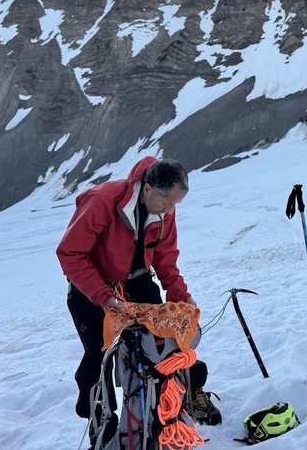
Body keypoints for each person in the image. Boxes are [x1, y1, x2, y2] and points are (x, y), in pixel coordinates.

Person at [57, 156, 222, 440]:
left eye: (175, 205)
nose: (170, 211)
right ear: (147, 189)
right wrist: (103, 296)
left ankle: (184, 397)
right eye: (167, 203)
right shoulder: (102, 201)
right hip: (90, 287)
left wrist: (182, 297)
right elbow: (70, 253)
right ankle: (101, 423)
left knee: (167, 340)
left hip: (137, 280)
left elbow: (166, 260)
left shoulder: (164, 210)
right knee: (99, 354)